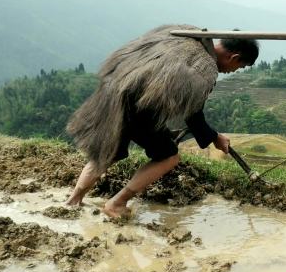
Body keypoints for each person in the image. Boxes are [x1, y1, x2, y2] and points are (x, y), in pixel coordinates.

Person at [65, 25, 259, 218]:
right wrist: (215, 137)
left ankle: (73, 201)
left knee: (110, 153)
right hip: (137, 106)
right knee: (169, 156)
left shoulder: (186, 36)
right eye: (240, 66)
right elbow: (193, 116)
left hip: (114, 93)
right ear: (234, 58)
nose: (235, 71)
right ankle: (117, 203)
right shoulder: (205, 68)